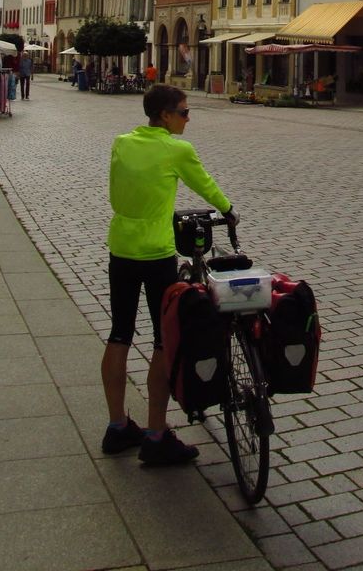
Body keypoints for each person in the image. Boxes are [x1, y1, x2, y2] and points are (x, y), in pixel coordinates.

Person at [100, 84, 237, 466]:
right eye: (184, 112)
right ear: (165, 115)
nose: (187, 119)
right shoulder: (177, 150)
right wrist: (228, 210)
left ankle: (117, 426)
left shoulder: (122, 143)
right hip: (156, 253)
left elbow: (116, 192)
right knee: (163, 340)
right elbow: (205, 184)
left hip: (121, 247)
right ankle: (156, 435)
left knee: (119, 333)